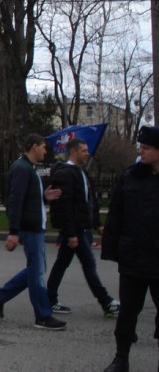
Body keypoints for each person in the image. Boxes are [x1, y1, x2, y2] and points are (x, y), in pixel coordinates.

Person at [0, 134, 66, 330]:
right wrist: (14, 231)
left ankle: (0, 295)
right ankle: (42, 315)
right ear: (33, 146)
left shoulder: (28, 168)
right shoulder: (22, 169)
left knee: (36, 269)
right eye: (43, 147)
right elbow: (14, 200)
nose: (45, 151)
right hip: (30, 228)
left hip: (34, 227)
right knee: (37, 271)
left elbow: (28, 198)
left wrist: (44, 197)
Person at [101, 126, 159, 372]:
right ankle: (121, 358)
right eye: (140, 147)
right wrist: (113, 249)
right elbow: (116, 215)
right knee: (127, 314)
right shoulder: (130, 177)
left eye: (146, 148)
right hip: (133, 259)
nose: (140, 151)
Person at [46, 138, 119, 318]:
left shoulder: (82, 173)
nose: (88, 153)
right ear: (73, 152)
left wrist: (98, 224)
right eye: (84, 150)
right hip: (75, 229)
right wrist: (71, 234)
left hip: (82, 228)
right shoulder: (65, 174)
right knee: (88, 264)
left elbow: (88, 202)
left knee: (62, 264)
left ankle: (49, 299)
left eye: (87, 150)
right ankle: (106, 302)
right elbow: (65, 207)